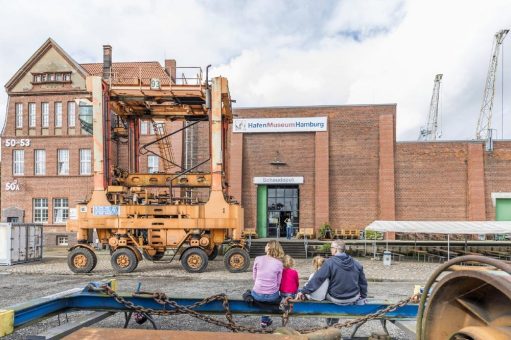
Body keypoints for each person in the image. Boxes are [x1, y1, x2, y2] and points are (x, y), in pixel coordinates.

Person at [297, 240, 368, 325]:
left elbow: (318, 279)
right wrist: (363, 296)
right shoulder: (356, 263)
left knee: (325, 292)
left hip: (336, 298)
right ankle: (333, 323)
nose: (331, 250)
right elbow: (363, 283)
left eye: (331, 248)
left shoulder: (329, 263)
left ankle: (330, 323)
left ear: (335, 249)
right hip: (353, 297)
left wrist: (304, 291)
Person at [251, 240, 284, 328]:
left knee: (261, 294)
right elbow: (278, 282)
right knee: (272, 296)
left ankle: (265, 320)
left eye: (266, 245)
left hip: (257, 294)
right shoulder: (279, 263)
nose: (265, 246)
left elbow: (254, 278)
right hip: (272, 296)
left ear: (268, 247)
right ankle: (265, 320)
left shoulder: (258, 259)